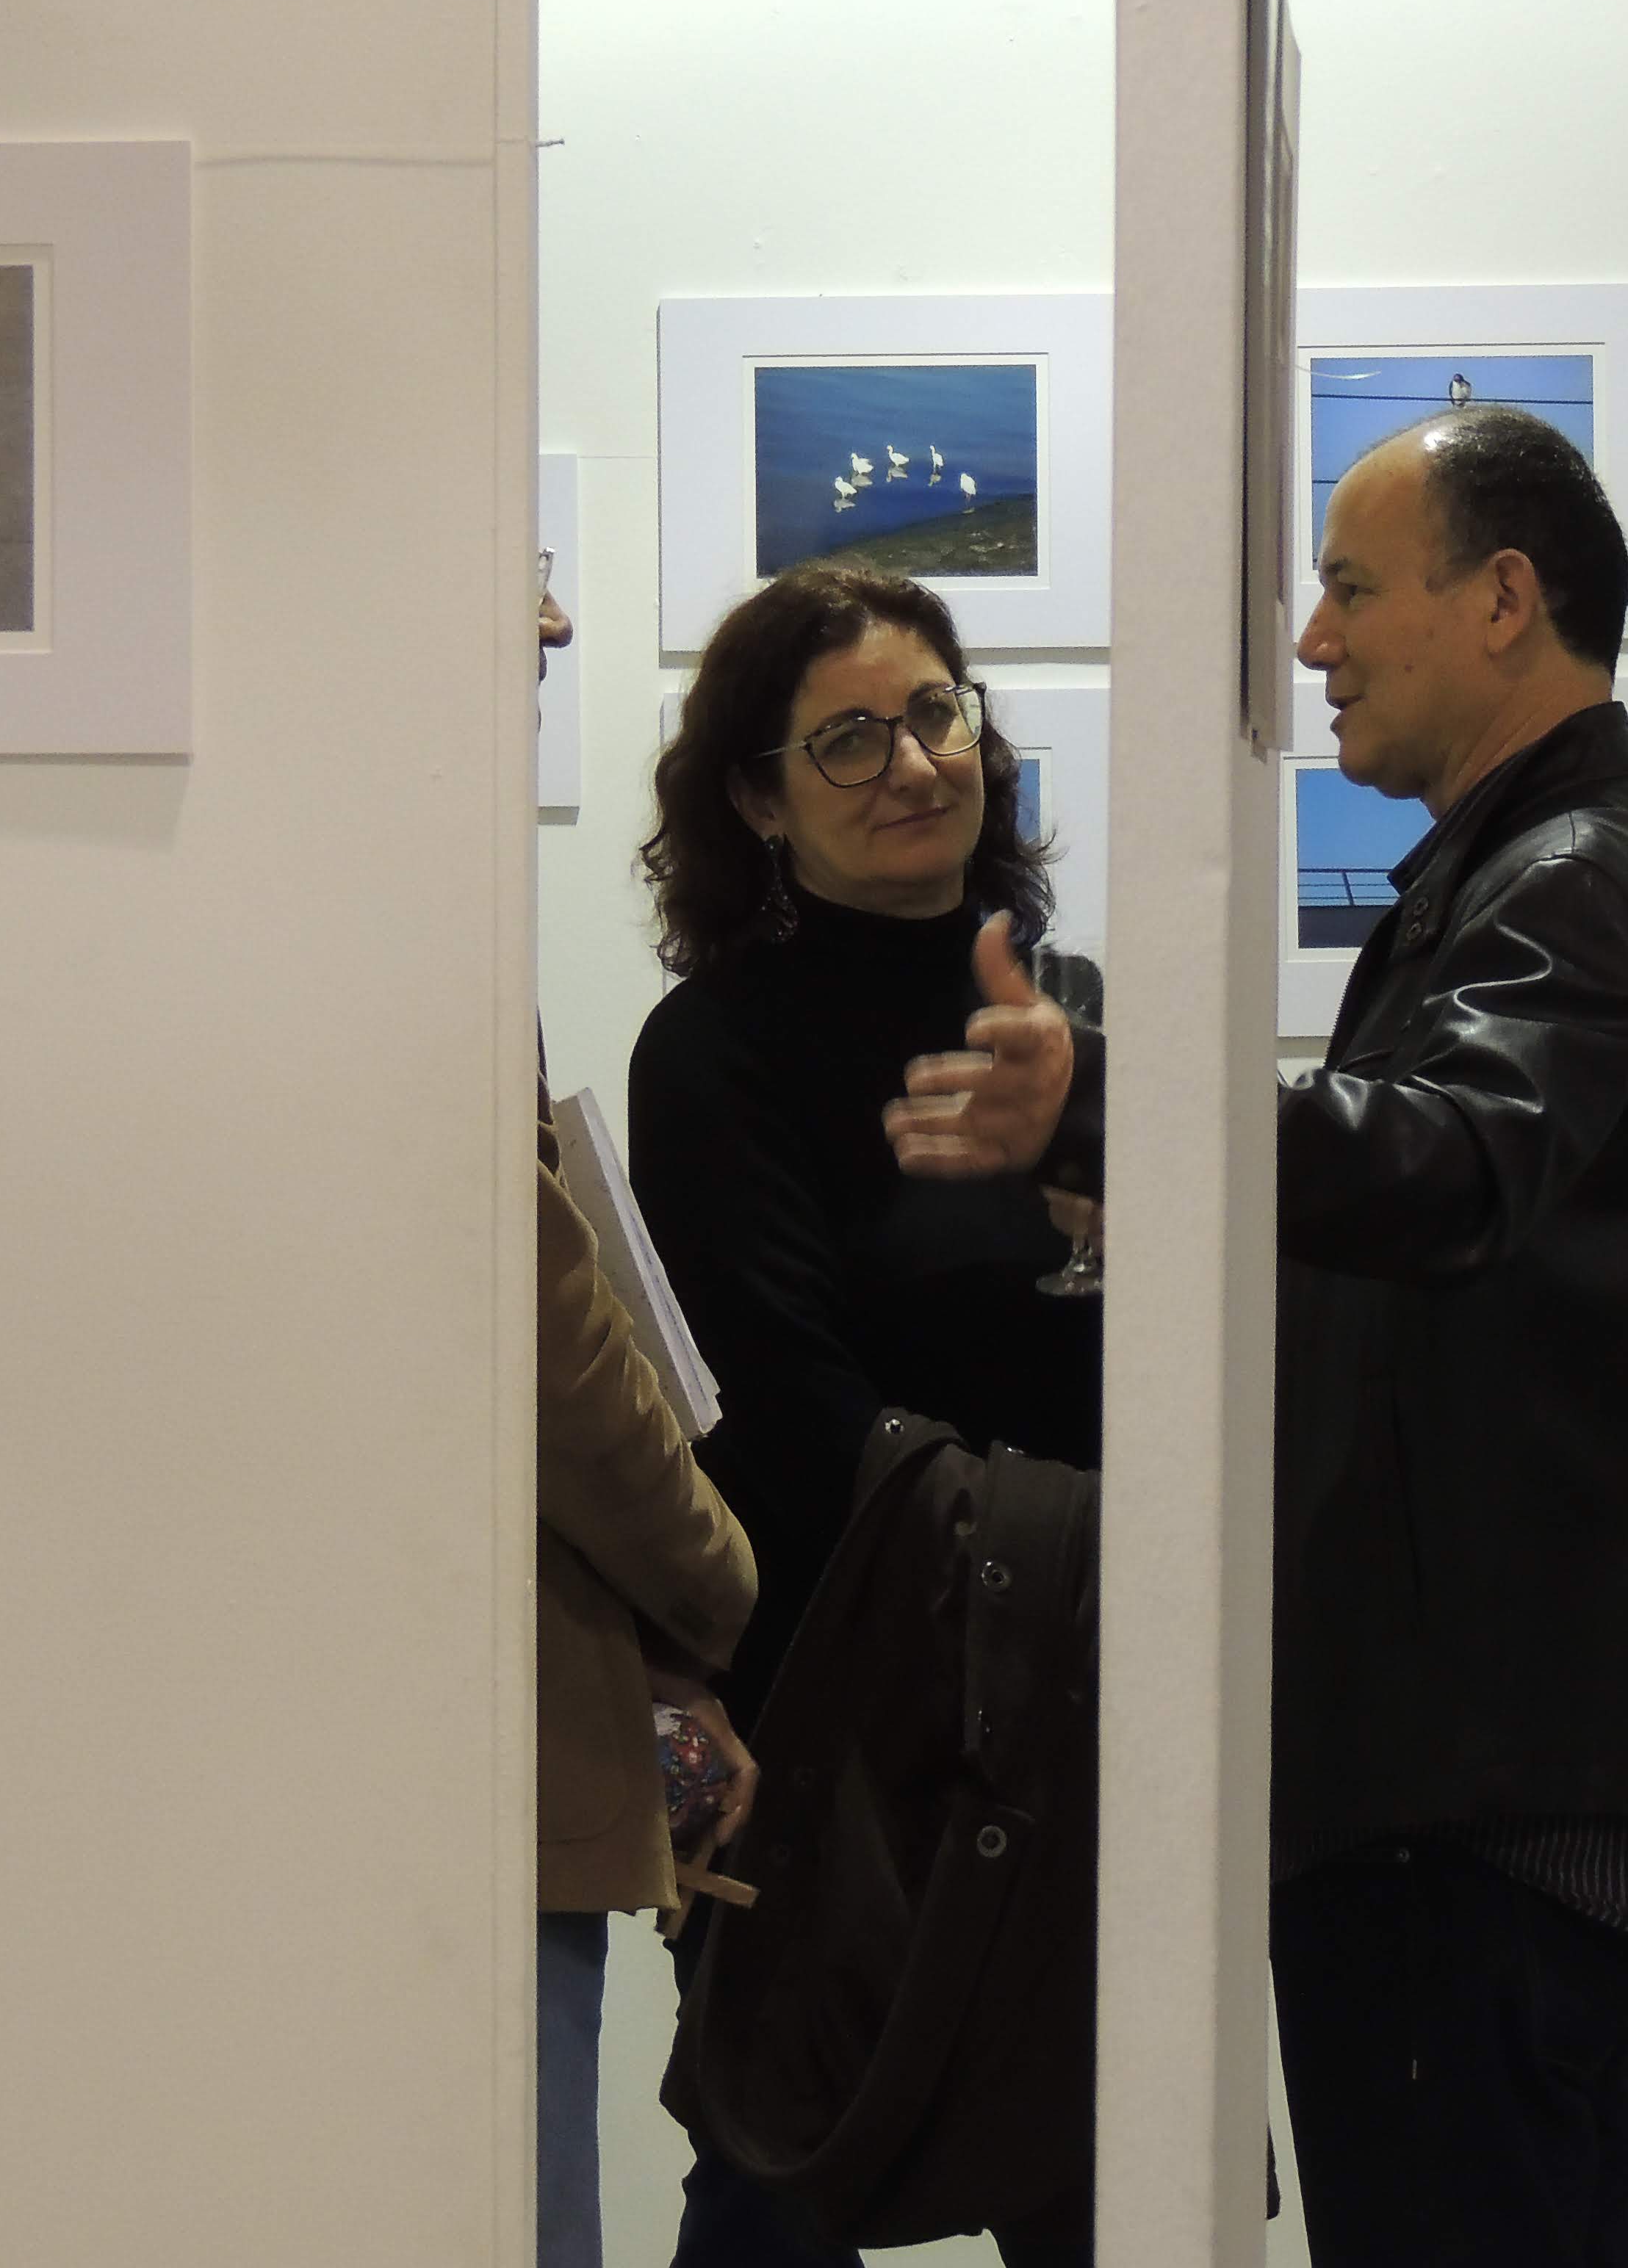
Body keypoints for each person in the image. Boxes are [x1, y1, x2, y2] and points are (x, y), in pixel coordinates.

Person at [887, 408, 1628, 2268]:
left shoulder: (1578, 876)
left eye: (1355, 590)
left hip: (1476, 1783)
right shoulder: (1537, 867)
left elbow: (1452, 1164)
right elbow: (1441, 1233)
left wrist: (1113, 1101)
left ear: (1505, 601)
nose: (1314, 642)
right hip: (1476, 1761)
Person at [627, 560, 1103, 2268]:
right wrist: (1048, 1556)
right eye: (846, 741)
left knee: (1108, 2188)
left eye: (932, 714)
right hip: (834, 1721)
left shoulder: (1067, 1019)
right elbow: (778, 1409)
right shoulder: (712, 1052)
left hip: (1075, 1713)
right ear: (758, 801)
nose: (912, 764)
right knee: (780, 2176)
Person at [532, 578, 762, 2268]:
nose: (553, 623)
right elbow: (562, 1345)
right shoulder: (711, 1054)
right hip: (586, 1707)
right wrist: (720, 1597)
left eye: (937, 715)